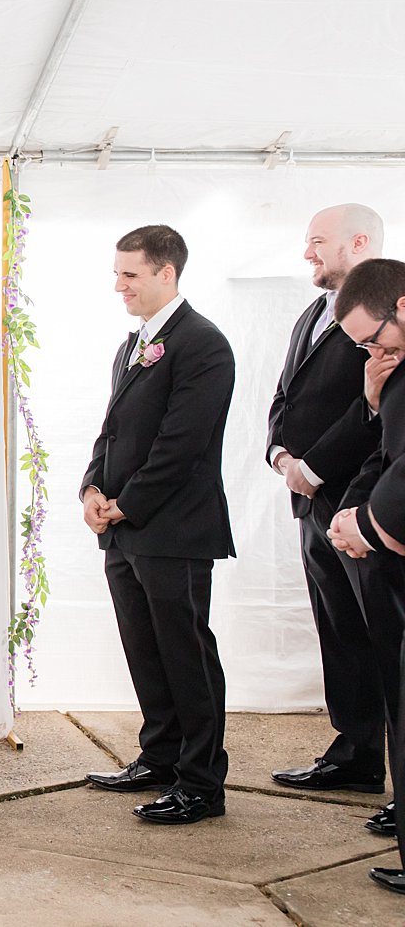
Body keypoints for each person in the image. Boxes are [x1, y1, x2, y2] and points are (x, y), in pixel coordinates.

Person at [80, 224, 236, 826]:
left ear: (166, 273)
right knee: (145, 649)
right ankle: (160, 756)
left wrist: (127, 503)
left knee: (186, 652)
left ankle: (201, 781)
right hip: (124, 528)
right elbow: (112, 428)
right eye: (117, 273)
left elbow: (183, 442)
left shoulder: (202, 343)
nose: (118, 285)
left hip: (175, 528)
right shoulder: (133, 344)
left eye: (130, 274)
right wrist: (93, 488)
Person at [266, 205, 395, 823]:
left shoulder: (389, 312)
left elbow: (376, 412)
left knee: (382, 634)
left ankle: (386, 765)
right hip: (311, 499)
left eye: (317, 241)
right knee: (338, 628)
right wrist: (279, 452)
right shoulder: (312, 314)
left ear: (359, 242)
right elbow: (286, 393)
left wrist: (314, 467)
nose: (308, 253)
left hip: (365, 503)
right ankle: (356, 752)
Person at [324, 257, 405, 894]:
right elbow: (386, 454)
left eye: (373, 339)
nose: (372, 353)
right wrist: (352, 512)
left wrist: (368, 524)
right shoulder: (391, 371)